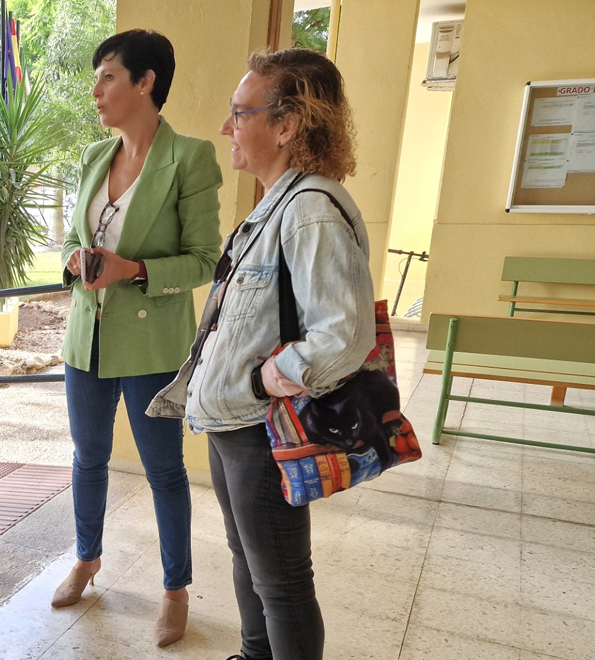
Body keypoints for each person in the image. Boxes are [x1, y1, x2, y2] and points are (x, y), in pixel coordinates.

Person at [149, 48, 375, 660]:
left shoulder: (309, 211)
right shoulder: (280, 201)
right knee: (250, 561)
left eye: (238, 112)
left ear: (286, 124)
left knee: (282, 582)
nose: (227, 127)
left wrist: (266, 379)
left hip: (261, 425)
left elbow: (344, 336)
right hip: (236, 422)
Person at [54, 29, 223, 648]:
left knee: (163, 469)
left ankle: (175, 591)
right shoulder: (94, 159)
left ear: (146, 81)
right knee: (87, 457)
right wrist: (78, 261)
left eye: (108, 77)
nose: (96, 90)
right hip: (86, 338)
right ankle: (86, 559)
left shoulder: (191, 157)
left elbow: (206, 260)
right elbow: (82, 238)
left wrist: (134, 270)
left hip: (153, 342)